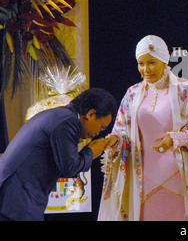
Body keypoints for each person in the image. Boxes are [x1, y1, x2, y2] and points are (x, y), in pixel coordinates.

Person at [97, 35, 188, 221]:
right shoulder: (132, 94)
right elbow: (122, 130)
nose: (145, 69)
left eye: (151, 63)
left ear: (165, 60)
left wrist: (176, 138)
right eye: (141, 63)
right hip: (141, 181)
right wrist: (115, 140)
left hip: (179, 178)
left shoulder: (186, 91)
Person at [0, 88, 117, 221]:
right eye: (101, 126)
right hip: (16, 197)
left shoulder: (61, 115)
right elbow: (70, 168)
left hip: (13, 195)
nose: (98, 133)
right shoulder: (68, 122)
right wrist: (91, 152)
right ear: (91, 114)